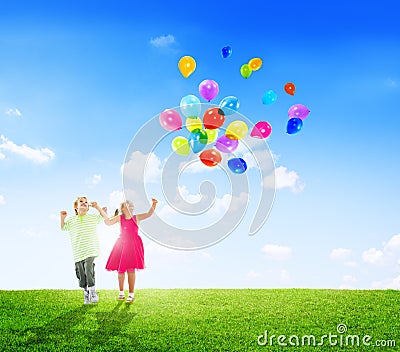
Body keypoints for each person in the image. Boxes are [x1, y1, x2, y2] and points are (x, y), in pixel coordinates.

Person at [105, 198, 158, 303]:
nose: (130, 206)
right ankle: (121, 293)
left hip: (133, 245)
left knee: (131, 270)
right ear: (123, 209)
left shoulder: (136, 217)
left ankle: (131, 294)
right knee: (121, 270)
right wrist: (104, 213)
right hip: (122, 245)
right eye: (127, 205)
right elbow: (108, 222)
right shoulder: (120, 218)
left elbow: (148, 214)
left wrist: (154, 204)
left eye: (131, 205)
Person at [60, 196, 108, 304]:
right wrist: (62, 218)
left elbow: (105, 218)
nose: (84, 203)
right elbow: (63, 228)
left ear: (88, 208)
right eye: (81, 202)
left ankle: (92, 291)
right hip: (78, 252)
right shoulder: (72, 220)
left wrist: (98, 208)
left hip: (90, 250)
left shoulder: (92, 217)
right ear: (76, 207)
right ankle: (86, 292)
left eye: (86, 202)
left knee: (88, 268)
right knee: (81, 275)